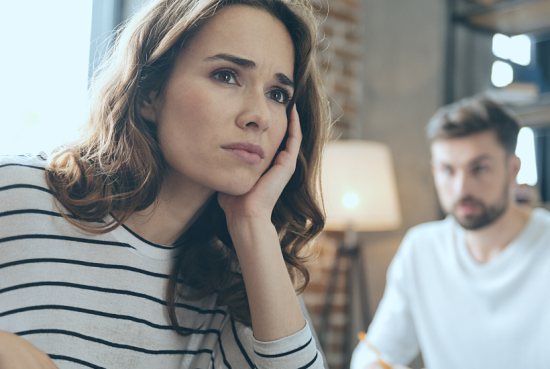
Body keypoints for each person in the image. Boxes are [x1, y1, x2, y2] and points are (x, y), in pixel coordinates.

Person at [0, 0, 331, 368]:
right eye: (226, 75)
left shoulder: (247, 283)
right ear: (149, 94)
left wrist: (252, 222)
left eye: (277, 94)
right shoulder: (16, 194)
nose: (258, 116)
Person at [351, 97, 550, 369]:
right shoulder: (421, 249)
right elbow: (375, 353)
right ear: (434, 171)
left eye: (479, 168)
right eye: (447, 170)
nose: (461, 189)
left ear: (513, 170)